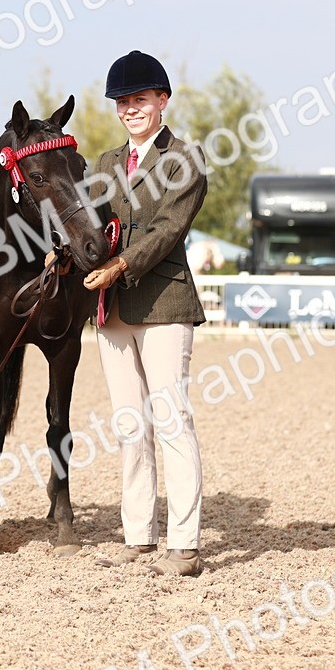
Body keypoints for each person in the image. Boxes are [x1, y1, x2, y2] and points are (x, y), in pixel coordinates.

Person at [84, 50, 209, 577]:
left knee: (171, 420)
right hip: (112, 313)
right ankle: (137, 533)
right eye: (124, 102)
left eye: (140, 99)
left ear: (162, 100)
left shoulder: (186, 159)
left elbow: (167, 232)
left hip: (163, 302)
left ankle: (184, 543)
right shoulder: (105, 165)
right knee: (130, 423)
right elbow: (83, 222)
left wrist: (118, 266)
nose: (131, 109)